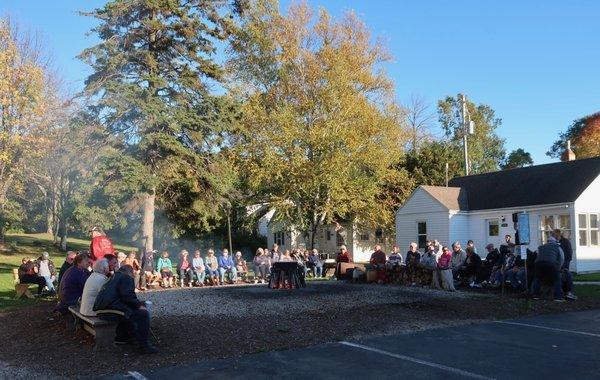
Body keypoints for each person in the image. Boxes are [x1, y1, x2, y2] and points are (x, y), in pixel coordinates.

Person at [93, 265, 158, 354]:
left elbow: (120, 296)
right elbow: (128, 296)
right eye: (133, 272)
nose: (134, 274)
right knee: (143, 314)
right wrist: (139, 305)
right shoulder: (126, 277)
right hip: (110, 311)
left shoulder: (113, 277)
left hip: (101, 309)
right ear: (130, 272)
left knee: (129, 312)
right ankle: (144, 345)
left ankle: (124, 337)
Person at [532, 236, 565, 302]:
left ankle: (535, 295)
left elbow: (538, 256)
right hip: (551, 263)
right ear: (555, 242)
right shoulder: (557, 247)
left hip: (538, 264)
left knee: (537, 278)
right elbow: (561, 258)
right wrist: (558, 268)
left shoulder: (541, 247)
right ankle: (558, 296)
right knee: (557, 278)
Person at [553, 229, 577, 300]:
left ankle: (567, 291)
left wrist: (566, 262)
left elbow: (569, 252)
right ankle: (562, 290)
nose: (553, 235)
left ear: (558, 234)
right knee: (559, 276)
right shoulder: (554, 242)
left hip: (565, 261)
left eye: (554, 234)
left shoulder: (565, 241)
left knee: (565, 275)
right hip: (557, 262)